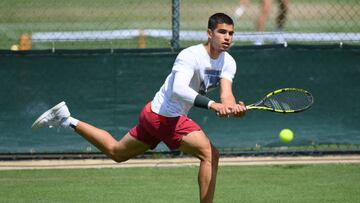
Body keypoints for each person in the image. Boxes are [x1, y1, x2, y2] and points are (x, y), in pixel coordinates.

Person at [32, 13, 246, 203]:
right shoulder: (190, 55)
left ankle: (66, 119)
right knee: (210, 155)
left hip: (155, 116)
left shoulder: (228, 62)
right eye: (222, 32)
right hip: (164, 116)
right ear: (210, 33)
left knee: (116, 152)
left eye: (231, 33)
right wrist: (213, 105)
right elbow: (179, 89)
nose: (227, 37)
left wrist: (233, 108)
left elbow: (226, 94)